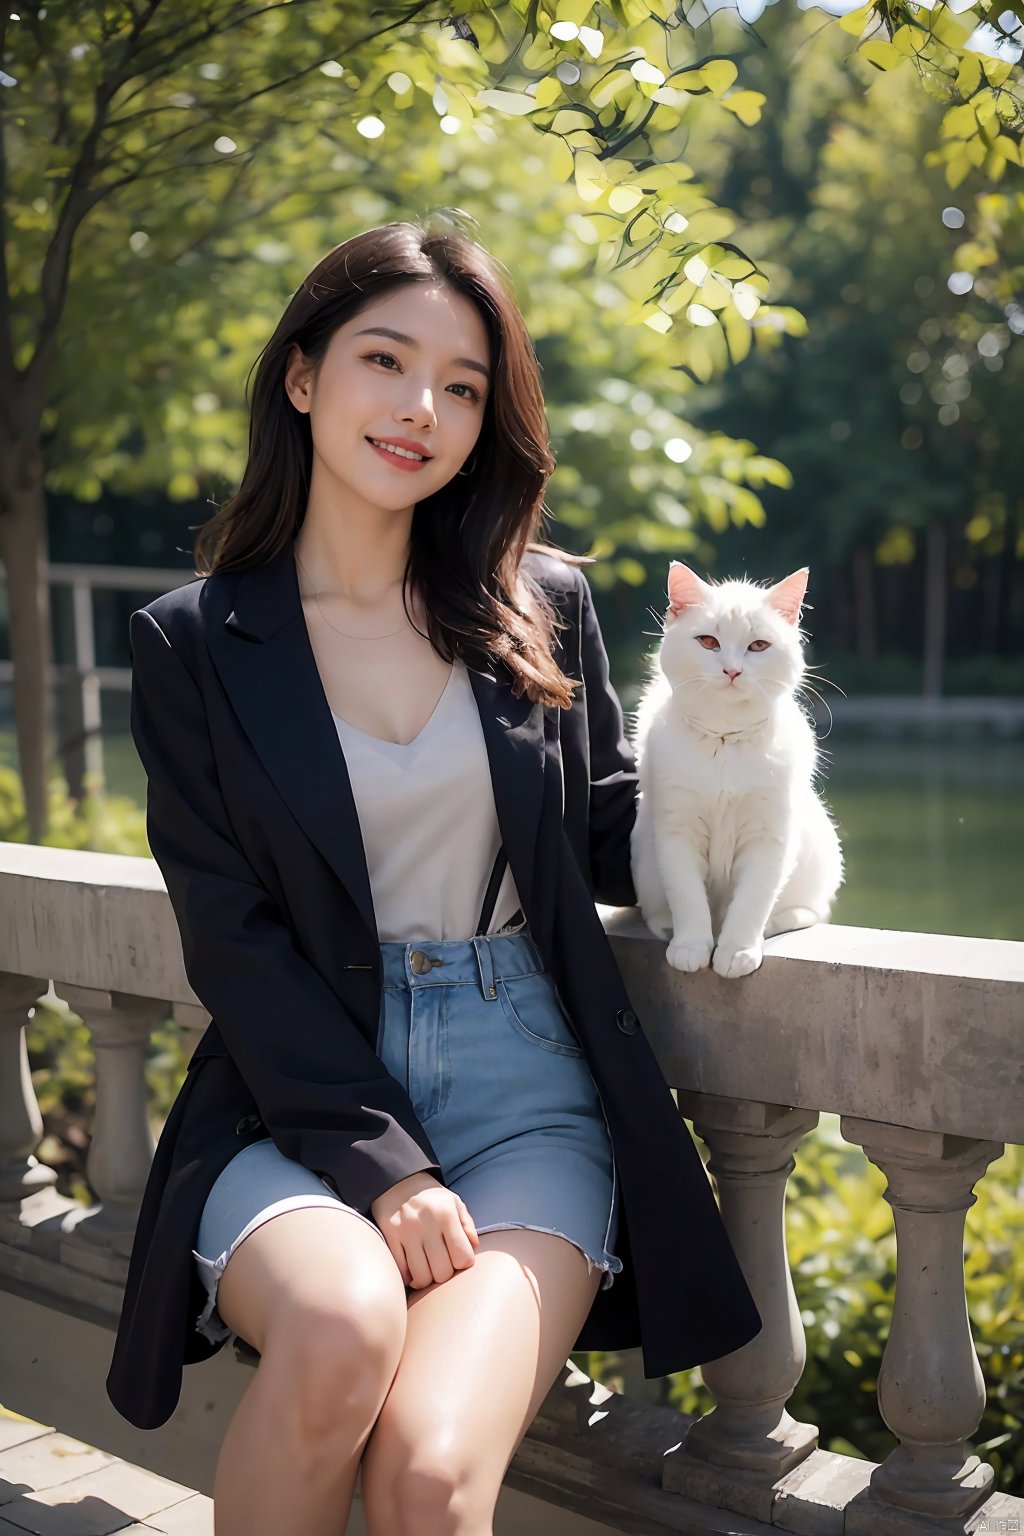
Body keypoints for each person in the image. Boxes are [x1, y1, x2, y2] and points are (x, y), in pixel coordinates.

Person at [106, 215, 762, 1536]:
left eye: (462, 386)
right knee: (341, 1330)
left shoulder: (542, 603)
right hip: (298, 1093)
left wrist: (767, 823)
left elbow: (614, 829)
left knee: (425, 1472)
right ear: (302, 376)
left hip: (529, 1085)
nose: (422, 409)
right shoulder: (195, 643)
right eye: (385, 360)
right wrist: (386, 1165)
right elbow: (231, 937)